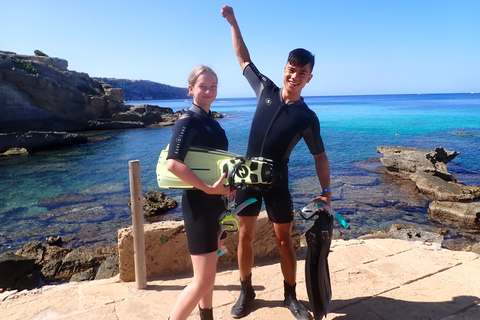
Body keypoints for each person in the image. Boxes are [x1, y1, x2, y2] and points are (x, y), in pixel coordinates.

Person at [222, 6, 331, 320]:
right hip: (246, 177)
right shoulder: (264, 90)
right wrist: (233, 22)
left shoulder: (307, 117)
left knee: (285, 240)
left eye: (301, 73)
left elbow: (320, 156)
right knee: (244, 236)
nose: (294, 76)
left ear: (309, 78)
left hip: (277, 182)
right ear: (284, 68)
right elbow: (243, 58)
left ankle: (290, 295)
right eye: (291, 69)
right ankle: (246, 291)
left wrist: (325, 189)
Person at [167, 65, 233, 320]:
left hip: (218, 204)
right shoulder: (188, 120)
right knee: (202, 281)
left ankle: (207, 317)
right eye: (203, 86)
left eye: (213, 86)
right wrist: (208, 188)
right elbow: (173, 163)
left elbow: (215, 162)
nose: (208, 91)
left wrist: (227, 189)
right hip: (200, 206)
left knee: (208, 275)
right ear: (191, 88)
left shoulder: (209, 120)